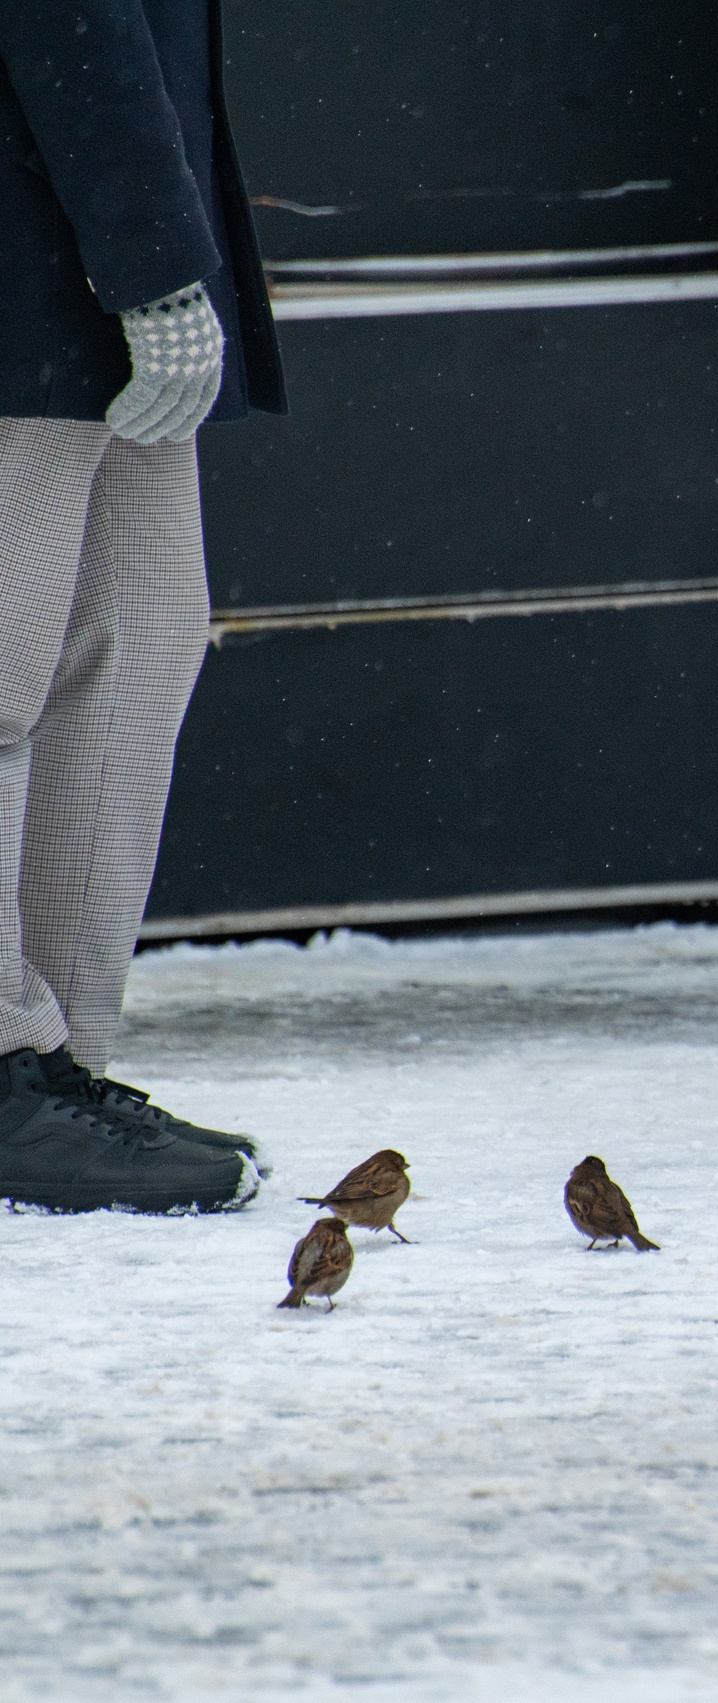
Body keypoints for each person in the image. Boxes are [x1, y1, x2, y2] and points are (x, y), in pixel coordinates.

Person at [0, 0, 284, 1211]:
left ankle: (52, 1059)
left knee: (141, 641)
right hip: (36, 239)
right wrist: (156, 259)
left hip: (97, 240)